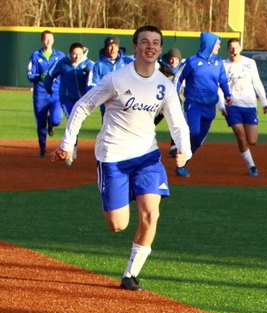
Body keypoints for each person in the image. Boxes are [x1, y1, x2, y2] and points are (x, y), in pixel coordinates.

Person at [48, 25, 191, 292]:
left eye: (156, 43)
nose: (150, 46)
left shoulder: (165, 85)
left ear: (159, 49)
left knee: (151, 214)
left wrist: (184, 149)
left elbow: (178, 123)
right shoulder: (116, 79)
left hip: (147, 157)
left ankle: (130, 274)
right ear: (135, 47)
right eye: (145, 42)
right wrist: (67, 144)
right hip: (113, 156)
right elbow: (82, 107)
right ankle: (118, 193)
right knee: (118, 224)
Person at [173, 31, 232, 176]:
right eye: (217, 43)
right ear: (209, 44)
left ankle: (183, 163)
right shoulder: (192, 61)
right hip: (194, 104)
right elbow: (178, 78)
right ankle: (180, 150)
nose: (219, 46)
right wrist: (175, 98)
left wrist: (227, 94)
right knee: (193, 132)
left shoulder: (218, 62)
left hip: (210, 106)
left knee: (199, 140)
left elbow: (223, 80)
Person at [219, 38, 267, 177]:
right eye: (231, 47)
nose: (233, 50)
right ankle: (252, 166)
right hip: (232, 106)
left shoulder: (250, 63)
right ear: (227, 49)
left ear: (240, 48)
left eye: (236, 47)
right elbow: (219, 87)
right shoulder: (223, 66)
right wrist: (221, 105)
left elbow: (257, 83)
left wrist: (264, 103)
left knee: (252, 141)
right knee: (241, 137)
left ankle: (249, 159)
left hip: (249, 106)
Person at [43, 42, 95, 166]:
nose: (76, 57)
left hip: (83, 100)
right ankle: (71, 150)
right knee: (72, 119)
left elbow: (97, 82)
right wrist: (48, 87)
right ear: (70, 53)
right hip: (67, 99)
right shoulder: (62, 63)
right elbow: (50, 75)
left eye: (79, 54)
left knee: (77, 122)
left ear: (83, 54)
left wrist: (89, 74)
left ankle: (71, 146)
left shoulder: (90, 65)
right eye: (74, 54)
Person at [26, 30, 65, 158]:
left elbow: (66, 72)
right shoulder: (36, 56)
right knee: (40, 122)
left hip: (55, 93)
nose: (48, 41)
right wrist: (39, 76)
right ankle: (42, 148)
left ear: (53, 40)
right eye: (45, 39)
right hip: (41, 94)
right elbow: (30, 75)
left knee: (56, 119)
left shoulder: (60, 56)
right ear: (42, 40)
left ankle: (52, 124)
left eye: (50, 39)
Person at [88, 35, 134, 116]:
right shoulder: (98, 65)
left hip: (127, 103)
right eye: (110, 46)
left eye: (115, 46)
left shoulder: (128, 61)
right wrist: (105, 94)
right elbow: (92, 85)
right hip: (107, 105)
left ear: (118, 48)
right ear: (106, 48)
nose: (113, 49)